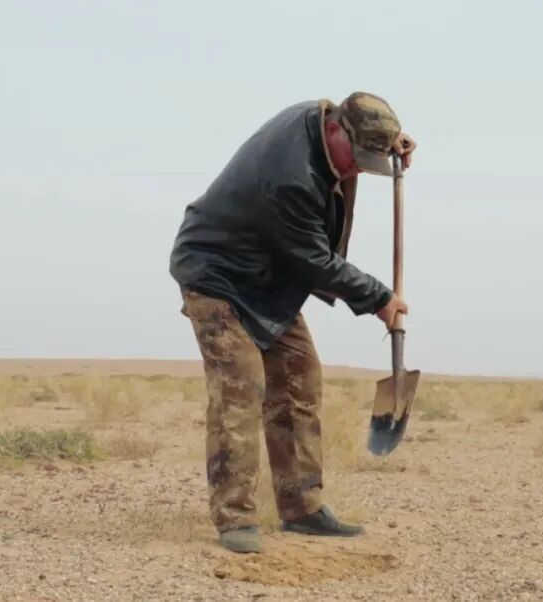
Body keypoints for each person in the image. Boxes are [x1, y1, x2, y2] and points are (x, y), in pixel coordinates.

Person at [168, 92, 416, 554]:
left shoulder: (322, 115)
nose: (359, 169)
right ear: (334, 130)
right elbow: (314, 260)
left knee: (301, 378)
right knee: (240, 390)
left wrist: (387, 141)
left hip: (268, 278)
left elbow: (358, 127)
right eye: (357, 157)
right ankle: (236, 517)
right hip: (217, 274)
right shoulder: (289, 178)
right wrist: (379, 298)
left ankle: (302, 508)